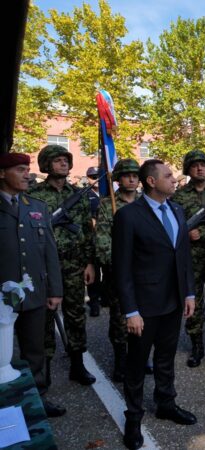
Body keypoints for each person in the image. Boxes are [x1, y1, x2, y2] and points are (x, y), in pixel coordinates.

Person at [113, 159, 197, 450]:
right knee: (137, 364)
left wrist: (189, 293)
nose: (174, 179)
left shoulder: (177, 210)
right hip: (144, 306)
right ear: (151, 181)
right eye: (168, 175)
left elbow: (183, 256)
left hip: (173, 301)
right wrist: (131, 310)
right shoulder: (128, 215)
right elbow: (121, 267)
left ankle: (166, 403)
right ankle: (134, 417)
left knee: (166, 357)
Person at [0, 153, 66, 418]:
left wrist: (55, 290)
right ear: (2, 173)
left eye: (28, 169)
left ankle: (37, 399)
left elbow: (49, 250)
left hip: (33, 293)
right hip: (2, 296)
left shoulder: (36, 206)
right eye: (20, 169)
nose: (27, 174)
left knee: (35, 350)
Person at [29, 144, 96, 387]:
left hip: (75, 264)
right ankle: (43, 371)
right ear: (46, 165)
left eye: (66, 159)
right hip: (45, 265)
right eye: (57, 160)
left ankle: (77, 365)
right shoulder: (33, 194)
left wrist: (90, 262)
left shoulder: (78, 194)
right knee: (45, 318)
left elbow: (87, 230)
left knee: (76, 315)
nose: (63, 163)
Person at [171, 150, 205, 367]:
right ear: (188, 170)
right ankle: (197, 346)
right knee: (193, 301)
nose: (200, 168)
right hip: (190, 258)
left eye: (203, 164)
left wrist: (203, 233)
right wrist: (186, 233)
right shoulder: (178, 197)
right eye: (195, 165)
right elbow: (171, 227)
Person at [95, 158, 140, 382]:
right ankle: (121, 360)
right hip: (119, 273)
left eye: (135, 175)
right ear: (118, 180)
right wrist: (118, 265)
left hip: (143, 273)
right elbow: (103, 240)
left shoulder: (145, 202)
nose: (131, 179)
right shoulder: (107, 204)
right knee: (120, 319)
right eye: (126, 176)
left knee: (145, 315)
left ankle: (140, 356)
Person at [85, 166, 103, 317]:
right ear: (88, 178)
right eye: (93, 177)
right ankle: (94, 301)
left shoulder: (108, 192)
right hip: (92, 237)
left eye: (98, 176)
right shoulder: (84, 195)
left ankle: (105, 298)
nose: (96, 179)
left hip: (107, 237)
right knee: (94, 273)